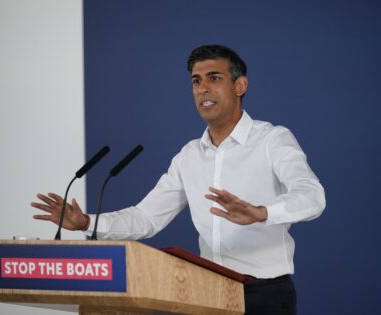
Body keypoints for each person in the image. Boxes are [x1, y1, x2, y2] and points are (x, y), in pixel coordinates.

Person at [31, 45, 325, 315]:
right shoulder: (189, 156)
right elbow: (146, 218)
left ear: (240, 85)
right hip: (207, 292)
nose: (203, 88)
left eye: (214, 78)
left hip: (265, 295)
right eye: (196, 81)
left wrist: (263, 213)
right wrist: (86, 222)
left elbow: (311, 196)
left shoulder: (272, 139)